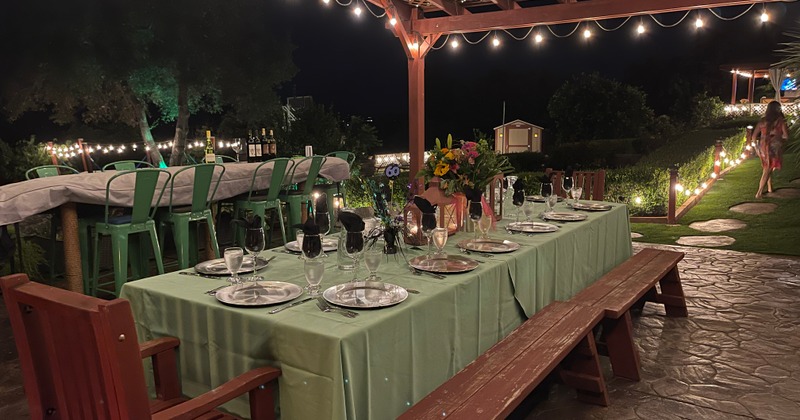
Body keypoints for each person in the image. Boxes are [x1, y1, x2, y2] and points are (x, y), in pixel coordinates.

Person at [751, 100, 789, 199]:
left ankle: (769, 188)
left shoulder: (762, 121)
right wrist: (779, 139)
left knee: (767, 166)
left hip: (762, 147)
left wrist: (756, 148)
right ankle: (759, 193)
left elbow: (754, 137)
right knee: (768, 169)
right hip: (773, 147)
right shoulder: (780, 121)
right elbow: (786, 136)